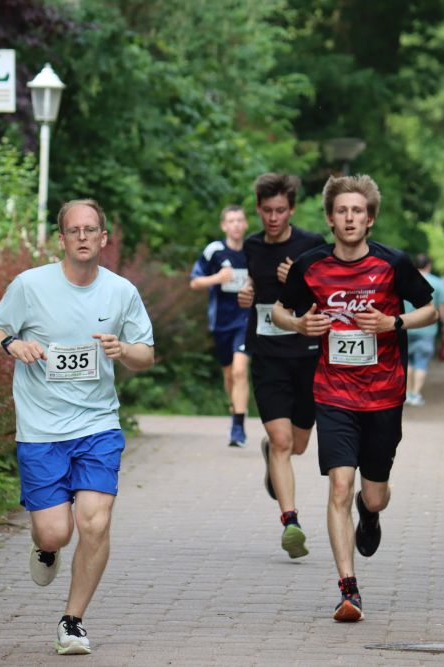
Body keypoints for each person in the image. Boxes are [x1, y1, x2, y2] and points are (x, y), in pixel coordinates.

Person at [0, 199, 154, 656]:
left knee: (95, 523)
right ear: (61, 239)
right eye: (73, 230)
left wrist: (123, 350)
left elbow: (146, 354)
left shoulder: (121, 292)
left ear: (103, 238)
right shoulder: (30, 285)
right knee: (56, 532)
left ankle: (72, 620)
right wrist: (13, 344)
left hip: (97, 425)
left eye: (90, 229)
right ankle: (45, 546)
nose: (82, 237)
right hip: (41, 430)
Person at [272, 174, 437, 623]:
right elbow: (280, 310)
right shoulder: (311, 265)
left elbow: (430, 309)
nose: (349, 218)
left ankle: (372, 512)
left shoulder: (392, 263)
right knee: (340, 485)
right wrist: (299, 325)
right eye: (342, 211)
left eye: (357, 211)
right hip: (334, 393)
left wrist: (393, 323)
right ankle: (349, 589)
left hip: (384, 395)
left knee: (374, 494)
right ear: (330, 218)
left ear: (370, 219)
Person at [236, 173, 324, 560]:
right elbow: (253, 287)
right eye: (267, 210)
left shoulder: (311, 244)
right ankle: (291, 523)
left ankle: (270, 451)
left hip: (306, 355)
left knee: (297, 445)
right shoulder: (252, 246)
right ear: (258, 209)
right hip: (267, 354)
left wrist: (301, 280)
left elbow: (327, 295)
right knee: (284, 442)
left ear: (292, 210)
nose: (273, 218)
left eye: (281, 210)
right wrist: (246, 295)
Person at [189, 205, 251, 447]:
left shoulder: (253, 250)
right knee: (229, 375)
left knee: (240, 371)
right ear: (224, 226)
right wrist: (218, 278)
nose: (236, 225)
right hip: (221, 322)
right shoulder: (214, 251)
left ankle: (238, 427)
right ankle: (236, 409)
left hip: (246, 320)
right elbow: (194, 282)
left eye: (240, 220)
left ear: (245, 224)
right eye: (231, 221)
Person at [404, 254, 444, 406]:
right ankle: (415, 394)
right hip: (427, 329)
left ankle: (407, 394)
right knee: (421, 362)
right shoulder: (437, 283)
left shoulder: (405, 280)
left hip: (405, 326)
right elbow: (443, 308)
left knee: (408, 362)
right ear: (429, 265)